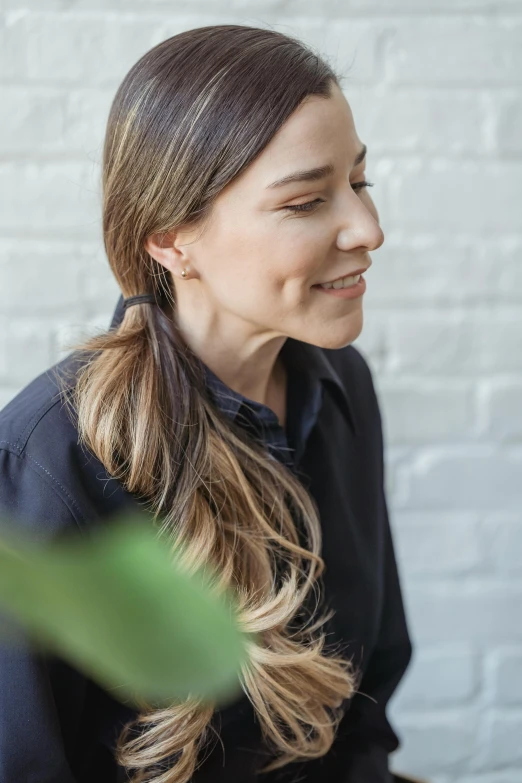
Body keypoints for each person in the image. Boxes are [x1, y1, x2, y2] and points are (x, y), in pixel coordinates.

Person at [0, 24, 413, 783]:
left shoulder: (341, 385)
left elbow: (366, 700)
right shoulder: (46, 465)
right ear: (171, 239)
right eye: (306, 200)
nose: (368, 229)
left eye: (360, 182)